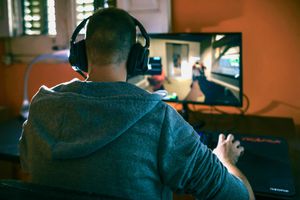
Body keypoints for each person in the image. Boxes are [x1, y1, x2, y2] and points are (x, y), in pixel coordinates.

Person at [19, 8, 254, 200]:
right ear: (136, 59)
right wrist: (225, 159)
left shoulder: (42, 106)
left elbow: (28, 164)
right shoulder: (160, 119)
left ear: (79, 54)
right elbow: (240, 197)